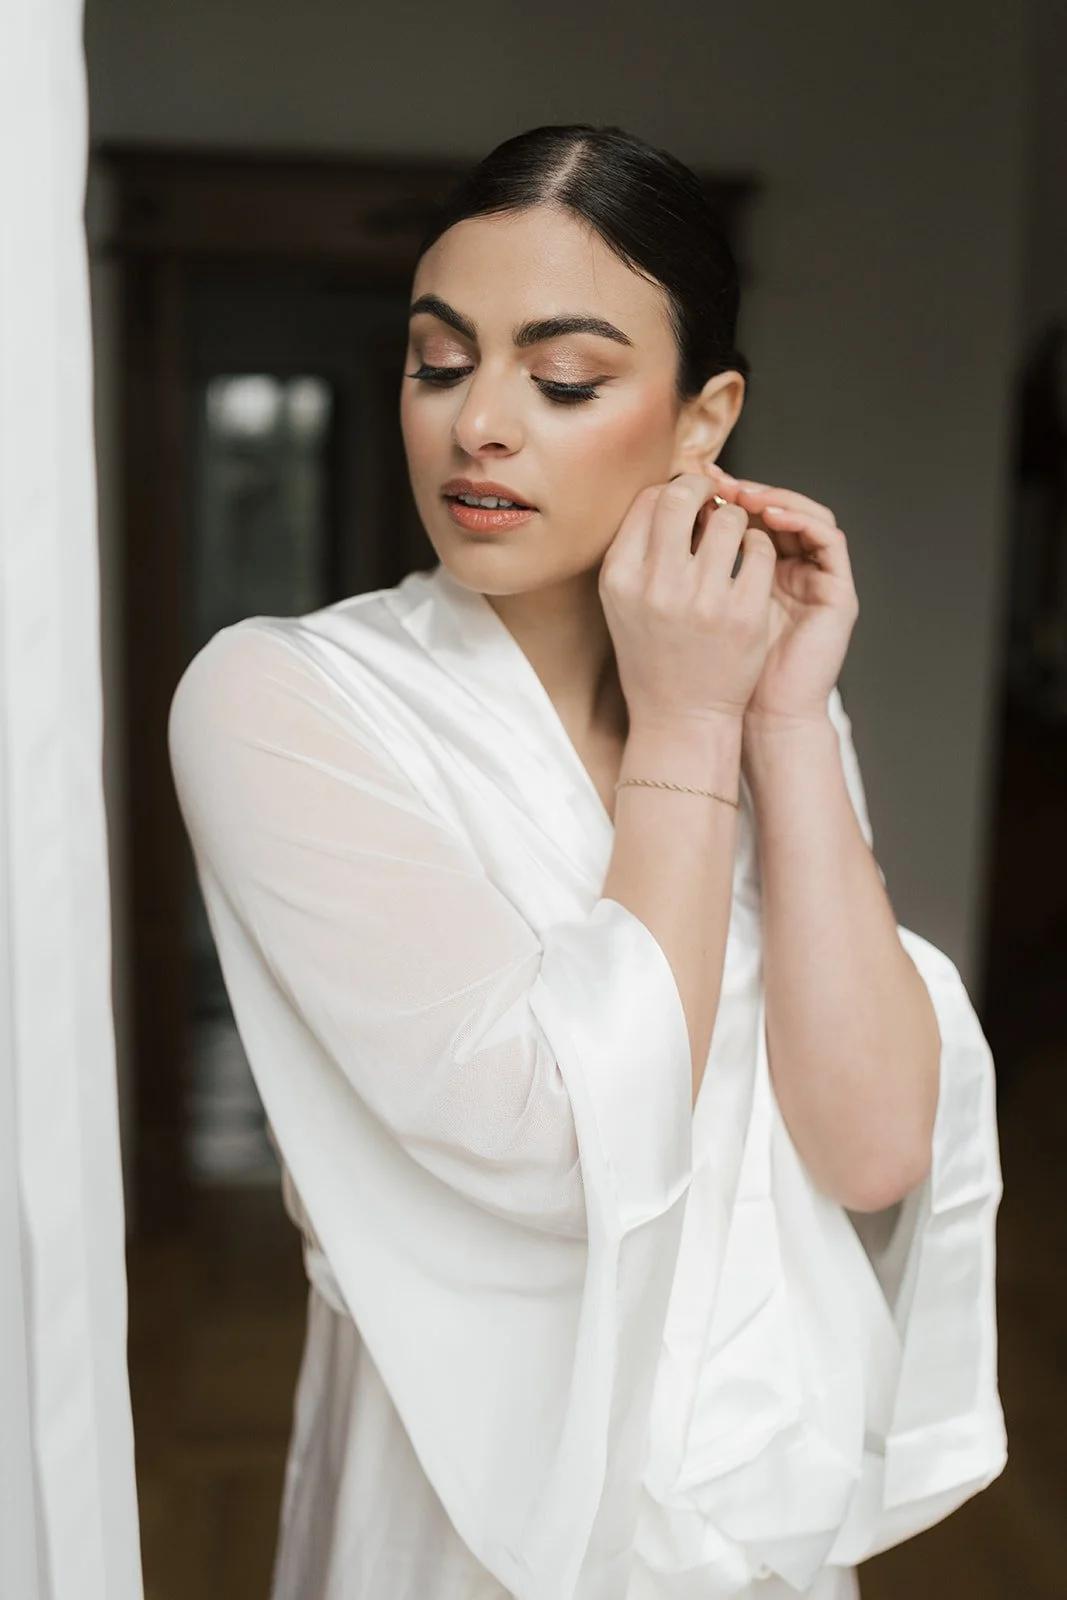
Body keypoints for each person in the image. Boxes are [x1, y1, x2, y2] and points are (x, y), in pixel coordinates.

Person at [168, 124, 1006, 1600]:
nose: (480, 423)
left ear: (702, 419)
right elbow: (564, 1152)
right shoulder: (281, 698)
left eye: (561, 379)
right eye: (439, 362)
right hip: (468, 1502)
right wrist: (687, 724)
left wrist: (781, 715)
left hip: (744, 1506)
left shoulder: (749, 689)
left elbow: (874, 1149)